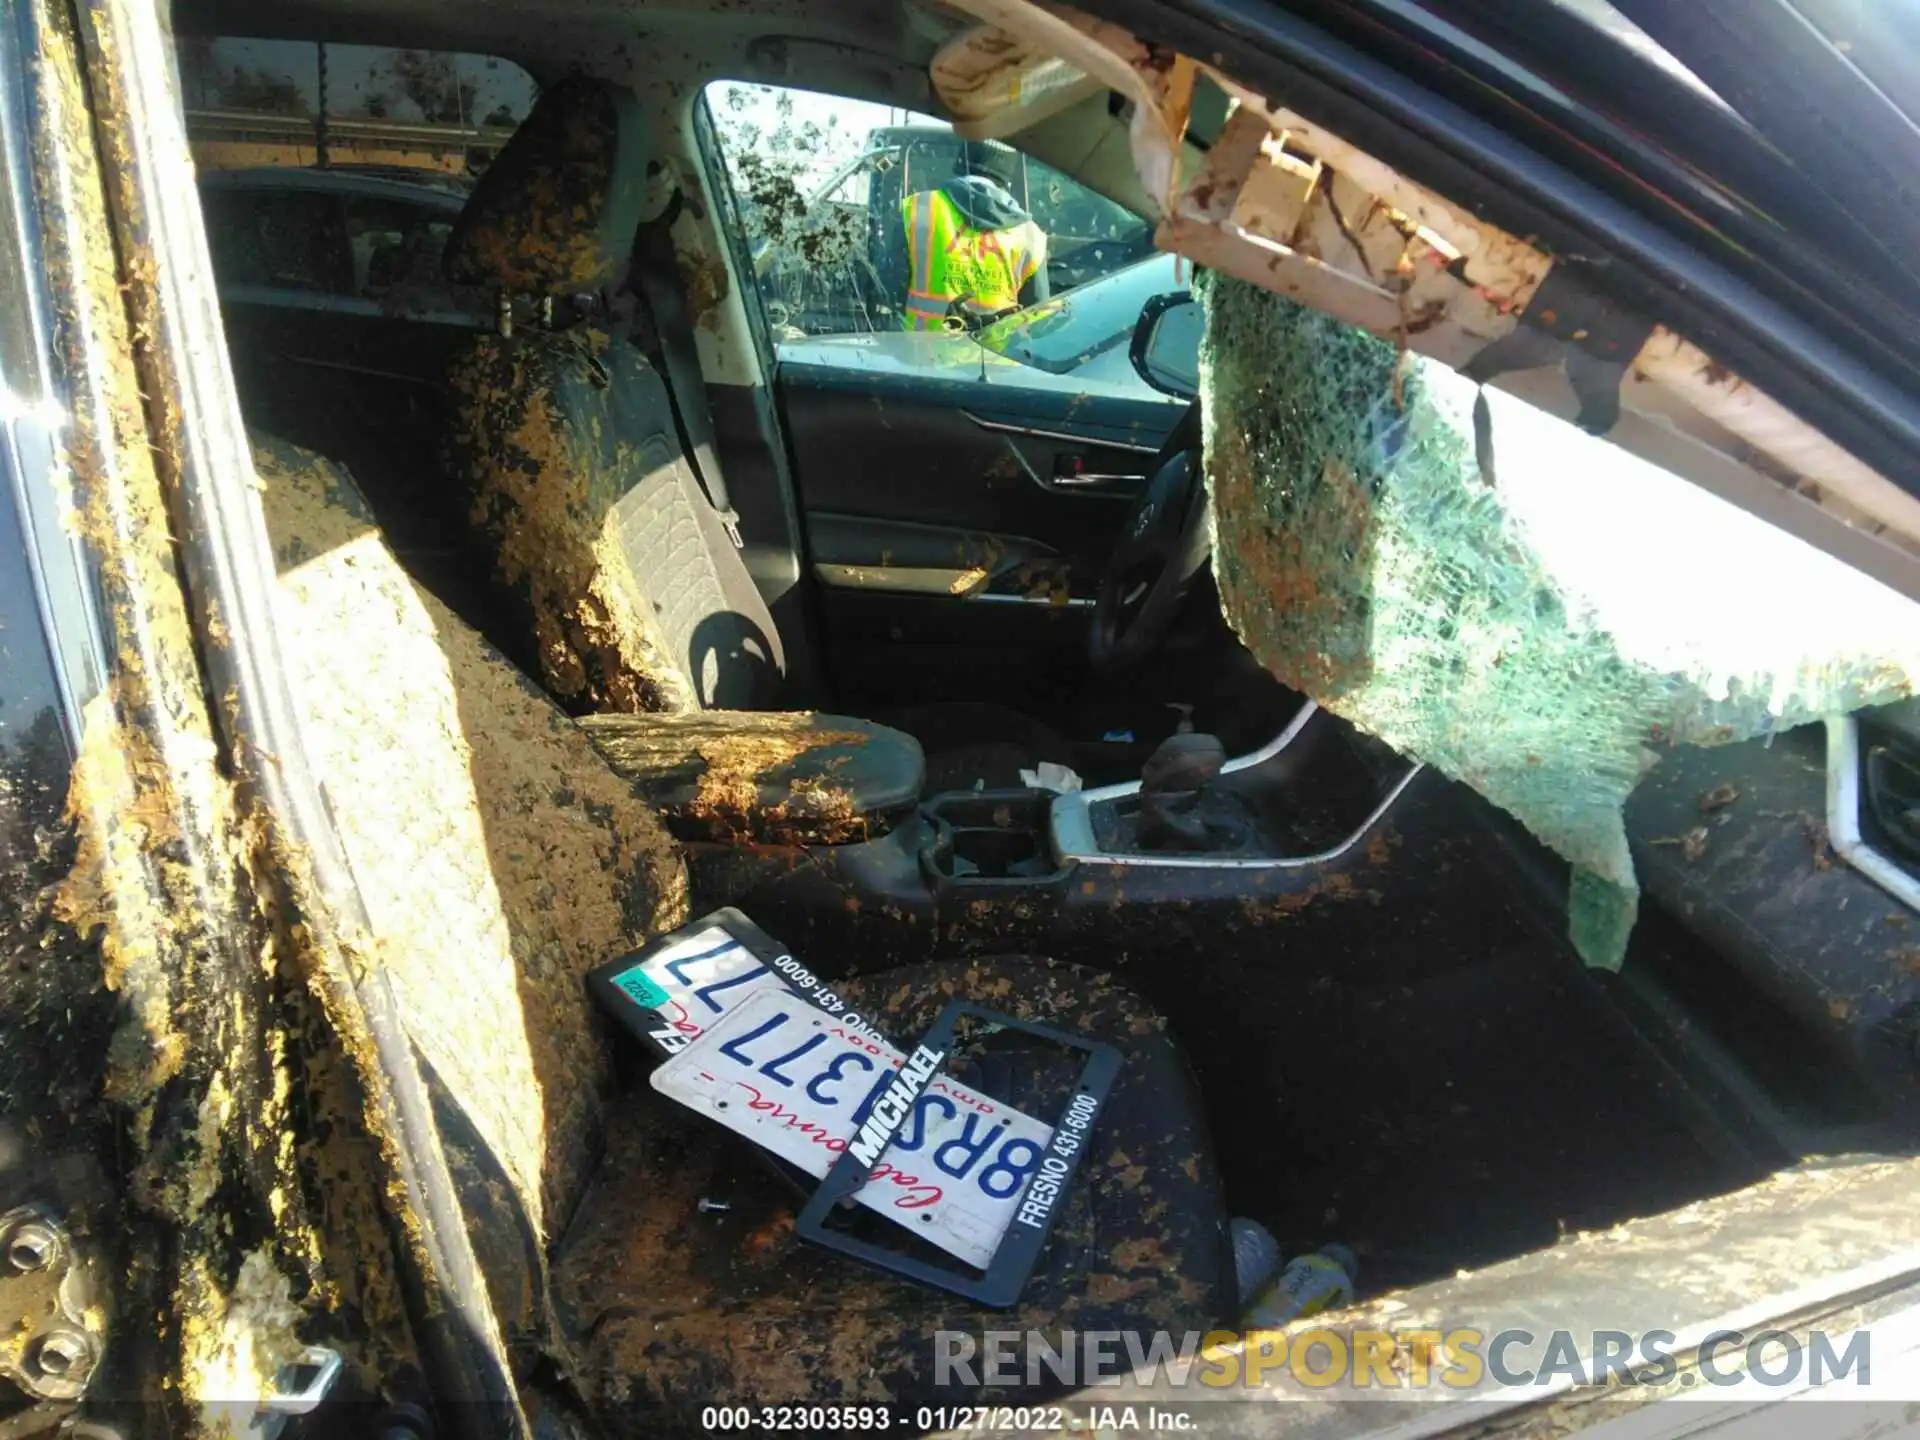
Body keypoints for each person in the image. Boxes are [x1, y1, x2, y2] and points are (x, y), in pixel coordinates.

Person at [899, 159, 1049, 330]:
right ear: (1006, 171)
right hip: (996, 353)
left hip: (924, 351)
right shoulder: (1030, 234)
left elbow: (888, 289)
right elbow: (1038, 321)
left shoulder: (919, 207)